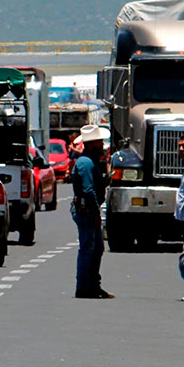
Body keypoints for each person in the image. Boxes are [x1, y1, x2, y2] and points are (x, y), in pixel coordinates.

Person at [70, 125, 113, 299]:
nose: (102, 145)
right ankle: (84, 287)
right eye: (99, 142)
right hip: (86, 210)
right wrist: (96, 214)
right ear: (91, 144)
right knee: (88, 248)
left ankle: (92, 285)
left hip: (87, 209)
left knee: (95, 248)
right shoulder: (86, 163)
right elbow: (88, 191)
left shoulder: (89, 161)